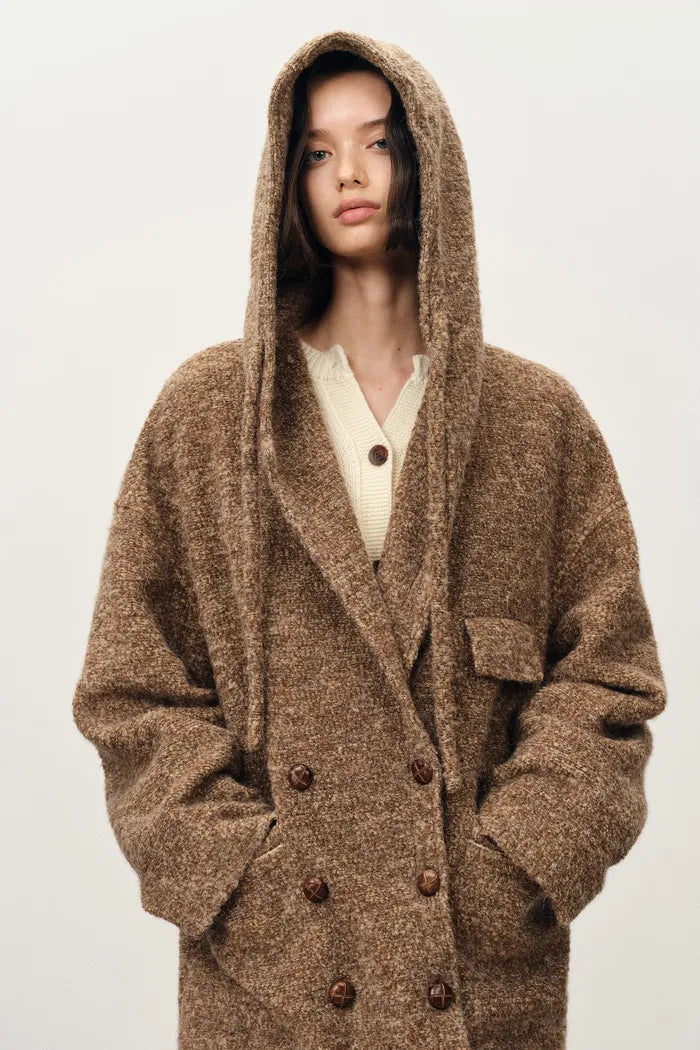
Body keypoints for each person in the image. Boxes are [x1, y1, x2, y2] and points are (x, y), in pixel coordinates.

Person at [72, 30, 667, 1050]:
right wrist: (241, 879)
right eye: (316, 150)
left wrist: (515, 862)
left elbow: (606, 678)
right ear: (286, 182)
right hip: (272, 981)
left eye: (378, 141)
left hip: (474, 979)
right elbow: (133, 688)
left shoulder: (537, 422)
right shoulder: (207, 416)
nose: (347, 171)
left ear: (430, 161)